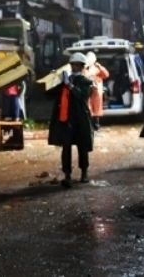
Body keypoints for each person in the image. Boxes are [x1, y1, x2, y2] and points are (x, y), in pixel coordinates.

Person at [48, 52, 96, 188]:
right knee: (66, 147)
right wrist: (55, 79)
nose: (73, 67)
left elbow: (82, 96)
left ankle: (84, 172)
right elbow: (51, 94)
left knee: (83, 147)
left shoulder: (86, 82)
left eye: (75, 64)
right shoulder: (66, 81)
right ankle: (67, 175)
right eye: (72, 64)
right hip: (66, 119)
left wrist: (71, 86)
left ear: (81, 66)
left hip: (80, 119)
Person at [84, 51, 110, 129]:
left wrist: (100, 67)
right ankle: (89, 125)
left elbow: (106, 75)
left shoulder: (97, 68)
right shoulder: (84, 68)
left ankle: (96, 124)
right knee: (88, 108)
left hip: (97, 92)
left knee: (97, 108)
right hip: (88, 92)